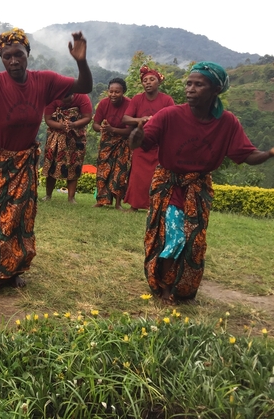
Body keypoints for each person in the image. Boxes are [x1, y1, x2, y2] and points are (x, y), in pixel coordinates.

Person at [0, 27, 92, 289]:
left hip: (25, 160)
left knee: (20, 216)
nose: (14, 61)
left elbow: (84, 87)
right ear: (1, 58)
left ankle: (12, 270)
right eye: (7, 56)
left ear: (28, 53)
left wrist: (81, 61)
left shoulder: (44, 81)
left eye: (19, 54)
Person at [130, 62, 274, 304]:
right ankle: (164, 287)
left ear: (215, 90)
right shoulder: (170, 115)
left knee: (194, 241)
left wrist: (269, 153)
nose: (190, 89)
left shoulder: (227, 123)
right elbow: (144, 141)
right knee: (171, 236)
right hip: (169, 183)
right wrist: (137, 136)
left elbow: (246, 155)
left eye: (199, 84)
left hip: (198, 188)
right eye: (189, 83)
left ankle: (183, 287)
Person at [123, 66, 175, 210]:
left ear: (158, 82)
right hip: (141, 142)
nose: (148, 82)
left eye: (152, 79)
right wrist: (142, 119)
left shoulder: (167, 100)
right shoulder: (137, 99)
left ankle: (156, 206)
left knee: (157, 176)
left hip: (160, 145)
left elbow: (173, 120)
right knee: (138, 176)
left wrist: (156, 121)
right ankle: (134, 206)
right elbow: (126, 119)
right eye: (145, 80)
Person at [41, 92, 93, 203]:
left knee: (74, 165)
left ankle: (71, 198)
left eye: (69, 98)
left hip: (76, 136)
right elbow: (48, 119)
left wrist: (73, 124)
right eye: (63, 99)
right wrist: (60, 126)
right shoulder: (52, 97)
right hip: (55, 135)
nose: (66, 102)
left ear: (73, 94)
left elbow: (88, 117)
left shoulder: (82, 97)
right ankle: (48, 195)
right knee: (52, 164)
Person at [93, 78, 132, 210]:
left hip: (123, 142)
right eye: (111, 91)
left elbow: (130, 130)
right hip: (107, 141)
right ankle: (101, 200)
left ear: (123, 92)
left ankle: (118, 203)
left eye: (117, 92)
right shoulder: (103, 103)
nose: (113, 94)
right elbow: (95, 124)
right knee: (103, 170)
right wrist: (102, 128)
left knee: (119, 172)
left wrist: (113, 130)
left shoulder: (129, 104)